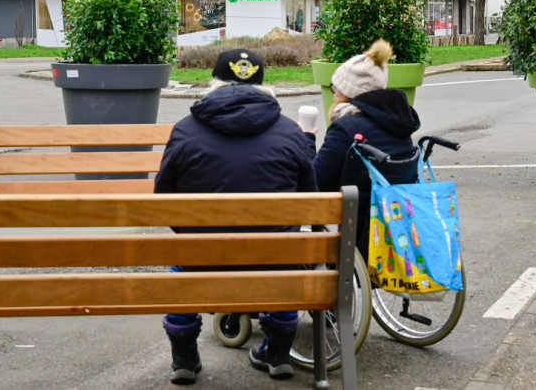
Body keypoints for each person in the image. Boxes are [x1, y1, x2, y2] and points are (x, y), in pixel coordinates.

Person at [154, 48, 317, 385]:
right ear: (263, 86)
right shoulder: (290, 133)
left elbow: (163, 200)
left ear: (214, 83)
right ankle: (277, 353)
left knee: (181, 263)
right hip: (273, 258)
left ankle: (184, 358)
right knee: (286, 263)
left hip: (202, 255)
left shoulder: (185, 130)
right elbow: (309, 201)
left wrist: (191, 232)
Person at [306, 39, 421, 260]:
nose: (334, 93)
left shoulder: (347, 127)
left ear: (350, 92)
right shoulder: (399, 124)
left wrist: (307, 139)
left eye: (336, 87)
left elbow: (316, 182)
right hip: (395, 223)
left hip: (356, 231)